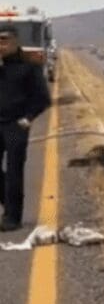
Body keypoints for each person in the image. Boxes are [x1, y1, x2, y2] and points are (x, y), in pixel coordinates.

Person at [0, 24, 52, 232]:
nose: (0, 45)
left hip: (16, 125)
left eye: (4, 40)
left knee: (14, 171)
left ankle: (12, 218)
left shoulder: (29, 66)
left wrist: (28, 118)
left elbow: (43, 98)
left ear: (15, 41)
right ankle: (9, 200)